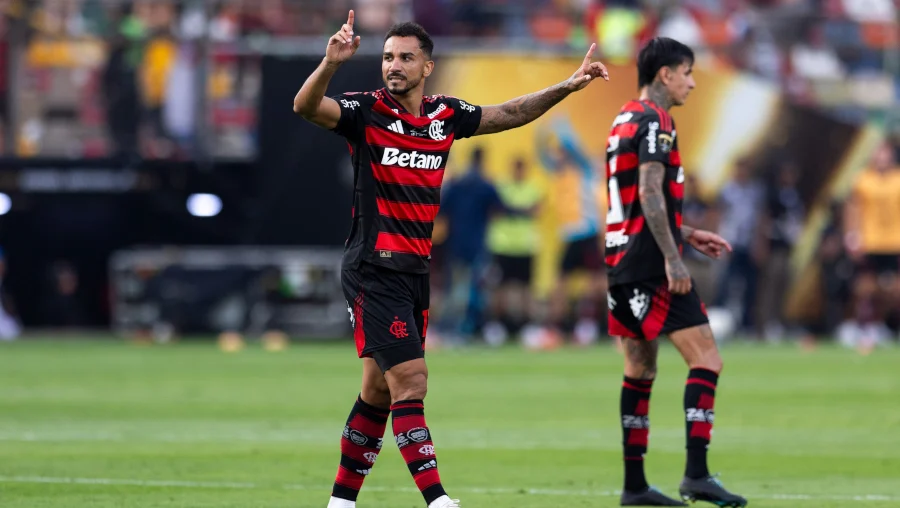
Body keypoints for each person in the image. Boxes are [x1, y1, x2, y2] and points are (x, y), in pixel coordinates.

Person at [292, 12, 609, 508]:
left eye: (405, 58)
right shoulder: (365, 111)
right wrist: (330, 64)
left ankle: (340, 503)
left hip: (415, 271)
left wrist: (567, 87)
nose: (393, 66)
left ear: (427, 67)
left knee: (378, 391)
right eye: (388, 57)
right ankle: (438, 501)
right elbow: (306, 106)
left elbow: (510, 113)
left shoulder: (445, 115)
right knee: (412, 381)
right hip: (373, 267)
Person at [603, 37, 747, 507]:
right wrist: (672, 256)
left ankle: (634, 487)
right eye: (687, 71)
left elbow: (631, 200)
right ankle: (697, 474)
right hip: (650, 264)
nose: (692, 81)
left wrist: (684, 232)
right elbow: (648, 191)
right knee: (707, 359)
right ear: (664, 74)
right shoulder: (656, 121)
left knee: (640, 369)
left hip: (620, 260)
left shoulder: (623, 118)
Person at [437, 147, 503, 342]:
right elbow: (500, 207)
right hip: (477, 245)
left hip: (456, 244)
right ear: (483, 160)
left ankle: (451, 329)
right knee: (475, 289)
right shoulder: (484, 185)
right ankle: (463, 329)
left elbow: (441, 211)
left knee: (458, 289)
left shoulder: (457, 184)